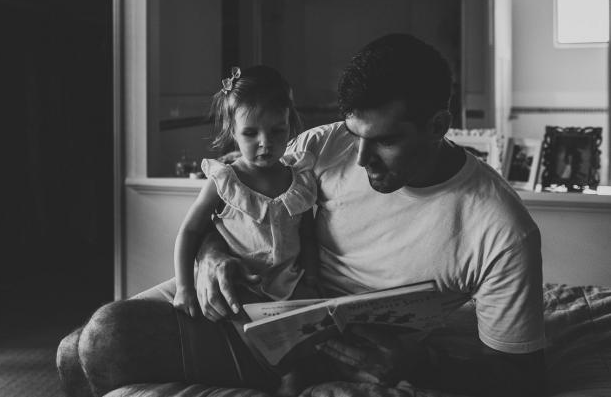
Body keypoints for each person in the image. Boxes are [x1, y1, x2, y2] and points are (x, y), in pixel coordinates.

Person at [56, 34, 545, 397]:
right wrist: (210, 252)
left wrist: (425, 363)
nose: (360, 159)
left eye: (386, 141)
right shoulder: (323, 143)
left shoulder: (502, 229)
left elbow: (522, 375)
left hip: (330, 348)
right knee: (70, 349)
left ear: (439, 125)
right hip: (256, 291)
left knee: (104, 341)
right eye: (357, 135)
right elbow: (245, 195)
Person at [173, 65, 319, 318]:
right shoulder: (226, 181)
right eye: (251, 133)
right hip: (240, 283)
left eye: (277, 131)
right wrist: (184, 286)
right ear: (233, 131)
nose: (265, 142)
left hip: (290, 285)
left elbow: (307, 235)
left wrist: (313, 277)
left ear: (290, 125)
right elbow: (190, 231)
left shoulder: (300, 180)